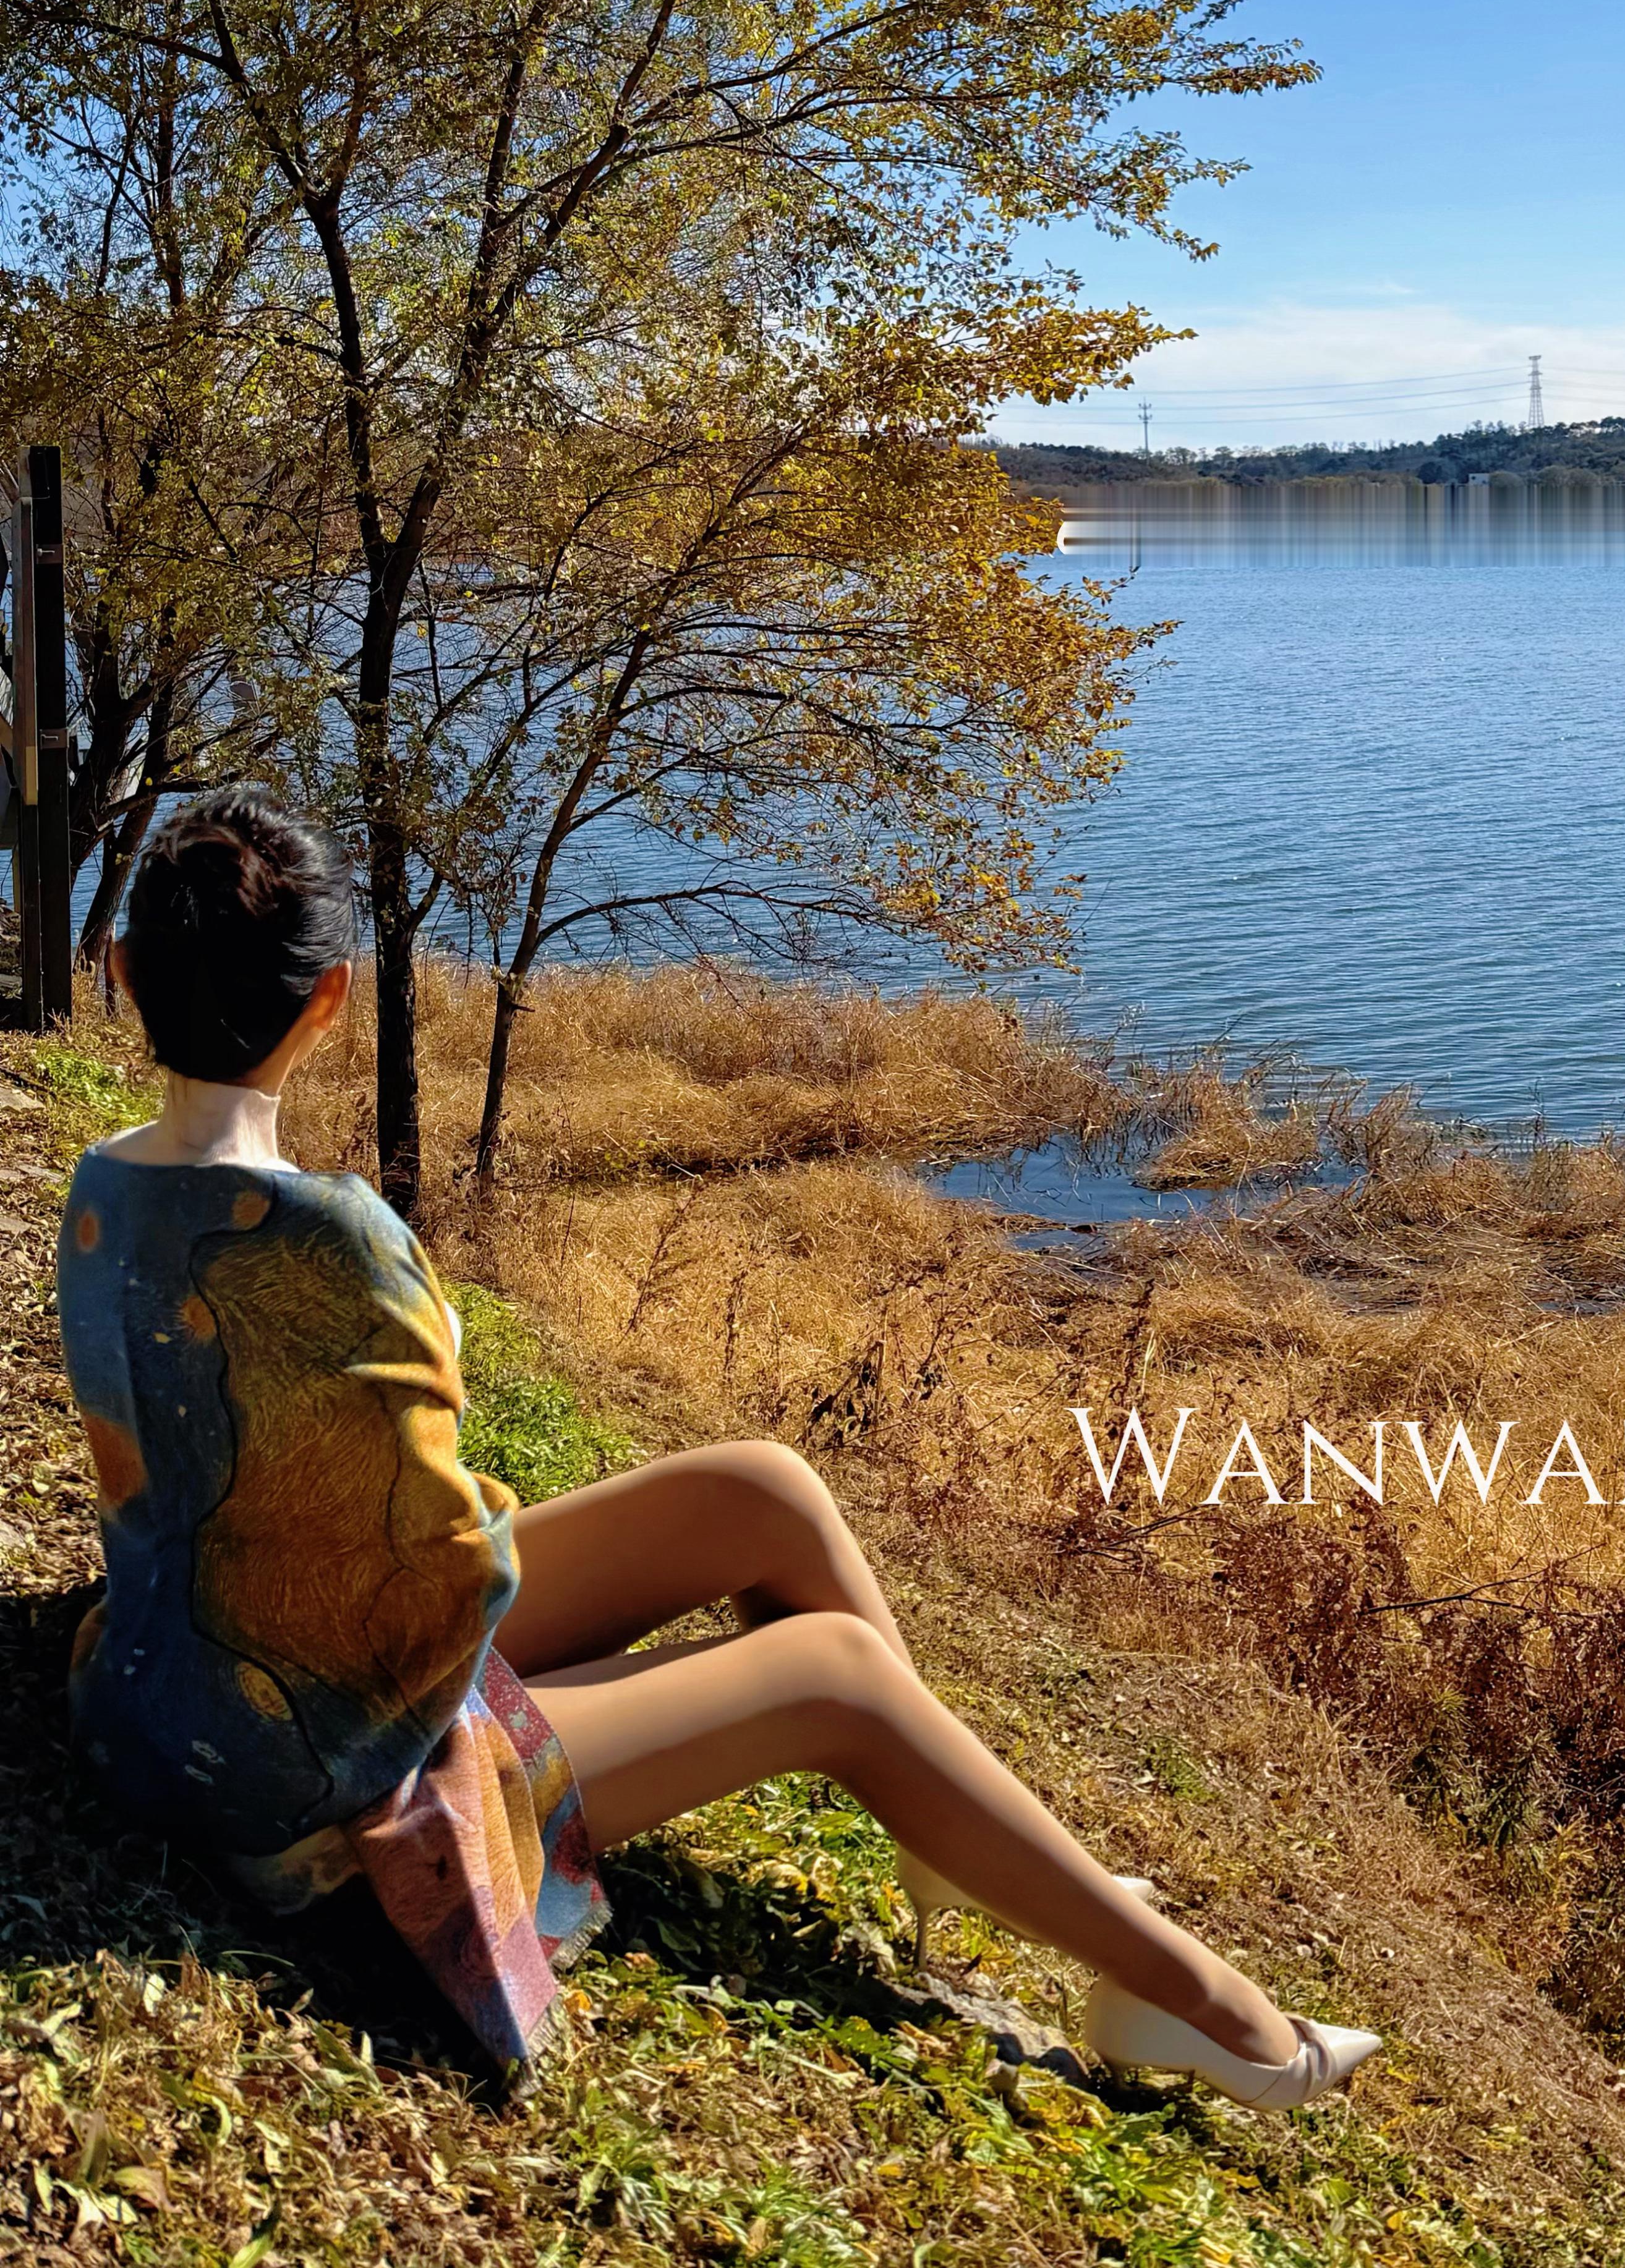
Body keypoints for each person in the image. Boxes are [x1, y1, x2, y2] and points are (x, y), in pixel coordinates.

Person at [53, 786, 1377, 2102]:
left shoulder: (104, 1180)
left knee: (761, 1487)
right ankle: (1206, 2007)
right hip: (306, 1772)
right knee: (835, 1676)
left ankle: (948, 1830)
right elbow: (446, 1572)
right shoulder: (336, 1241)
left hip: (175, 1678)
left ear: (120, 973)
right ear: (333, 997)